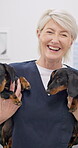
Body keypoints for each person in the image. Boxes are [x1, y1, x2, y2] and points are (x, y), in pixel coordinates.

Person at [0, 9, 78, 148]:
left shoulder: (75, 80)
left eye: (64, 34)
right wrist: (2, 115)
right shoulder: (12, 74)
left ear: (71, 41)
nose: (55, 40)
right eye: (50, 32)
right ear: (39, 33)